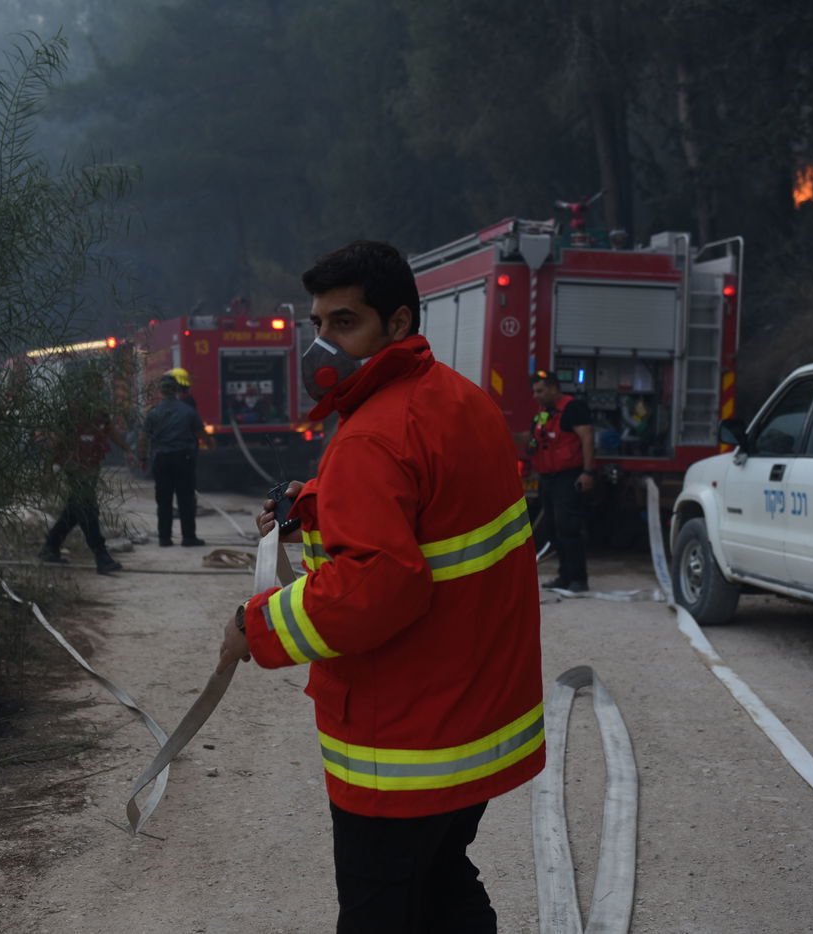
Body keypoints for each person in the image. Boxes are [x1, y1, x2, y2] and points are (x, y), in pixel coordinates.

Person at [216, 240, 545, 933]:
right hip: (469, 726)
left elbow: (379, 587)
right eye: (317, 324)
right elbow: (429, 511)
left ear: (397, 325)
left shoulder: (372, 436)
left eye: (344, 324)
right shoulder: (462, 403)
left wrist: (260, 626)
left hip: (403, 747)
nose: (322, 345)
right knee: (444, 886)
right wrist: (313, 502)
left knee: (383, 914)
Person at [39, 370, 138, 574]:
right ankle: (101, 555)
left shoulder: (100, 413)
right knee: (87, 509)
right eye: (94, 386)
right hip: (75, 468)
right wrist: (47, 469)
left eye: (99, 386)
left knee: (75, 510)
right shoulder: (72, 412)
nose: (97, 390)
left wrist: (129, 451)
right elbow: (55, 442)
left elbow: (112, 433)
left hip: (90, 468)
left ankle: (50, 546)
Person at [529, 370, 597, 592]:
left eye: (540, 391)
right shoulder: (544, 413)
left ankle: (579, 579)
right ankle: (564, 576)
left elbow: (587, 436)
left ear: (553, 387)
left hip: (568, 476)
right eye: (534, 391)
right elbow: (530, 439)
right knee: (552, 528)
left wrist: (588, 472)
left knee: (568, 528)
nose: (535, 396)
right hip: (548, 478)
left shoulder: (573, 408)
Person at [141, 374, 206, 547]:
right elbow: (201, 433)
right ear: (177, 390)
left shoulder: (153, 412)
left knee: (163, 500)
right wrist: (210, 444)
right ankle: (188, 537)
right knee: (186, 499)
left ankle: (164, 538)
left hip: (161, 460)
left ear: (161, 391)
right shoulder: (188, 411)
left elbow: (143, 438)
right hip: (183, 460)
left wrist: (142, 458)